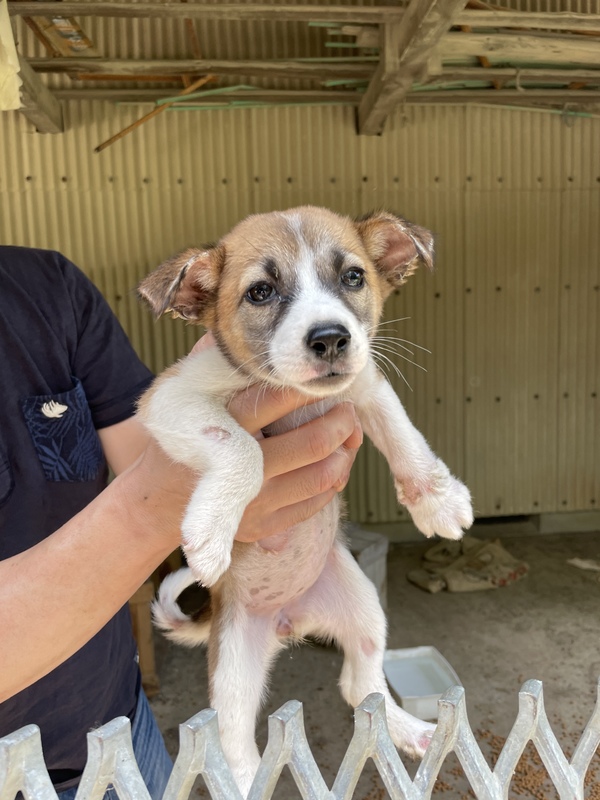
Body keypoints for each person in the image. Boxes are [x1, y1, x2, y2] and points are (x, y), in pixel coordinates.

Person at [0, 246, 362, 799]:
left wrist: (249, 426)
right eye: (261, 293)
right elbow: (165, 489)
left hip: (117, 726)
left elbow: (152, 440)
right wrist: (163, 508)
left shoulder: (47, 285)